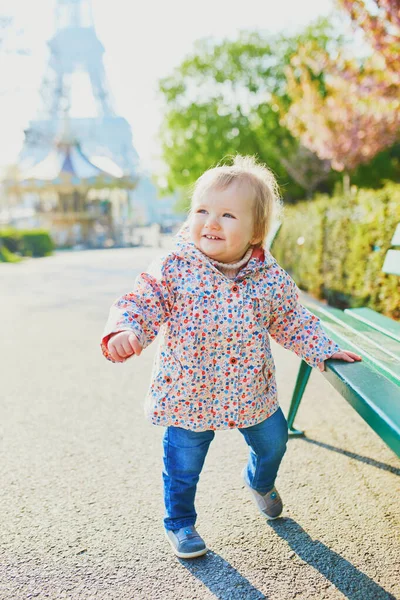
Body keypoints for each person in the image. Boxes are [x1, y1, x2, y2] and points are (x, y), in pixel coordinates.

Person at [101, 155, 361, 559]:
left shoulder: (269, 277)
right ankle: (181, 522)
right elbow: (143, 299)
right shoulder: (174, 267)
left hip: (249, 390)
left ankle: (259, 481)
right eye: (202, 210)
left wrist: (321, 348)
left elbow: (292, 319)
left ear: (257, 232)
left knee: (274, 443)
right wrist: (127, 329)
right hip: (189, 391)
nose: (211, 222)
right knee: (183, 465)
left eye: (227, 215)